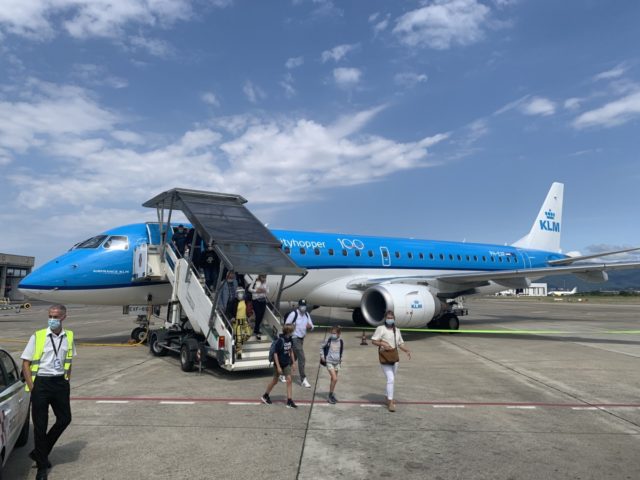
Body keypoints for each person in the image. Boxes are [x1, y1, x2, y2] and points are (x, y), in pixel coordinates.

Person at [21, 304, 77, 480]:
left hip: (60, 383)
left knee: (65, 419)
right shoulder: (37, 336)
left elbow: (69, 359)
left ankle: (39, 452)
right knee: (40, 425)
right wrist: (32, 386)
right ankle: (41, 467)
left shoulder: (69, 336)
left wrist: (66, 379)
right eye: (50, 316)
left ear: (64, 317)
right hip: (41, 384)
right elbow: (25, 363)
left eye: (56, 316)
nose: (52, 319)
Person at [371, 310, 411, 412]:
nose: (390, 319)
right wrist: (383, 344)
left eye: (391, 318)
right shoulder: (381, 329)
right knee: (391, 379)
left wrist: (406, 350)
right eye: (388, 318)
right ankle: (390, 402)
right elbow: (374, 340)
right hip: (385, 357)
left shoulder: (396, 330)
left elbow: (400, 343)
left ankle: (386, 395)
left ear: (394, 319)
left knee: (391, 380)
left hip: (394, 358)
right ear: (385, 318)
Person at [261, 324, 297, 408]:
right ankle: (265, 395)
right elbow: (275, 354)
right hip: (279, 364)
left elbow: (291, 350)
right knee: (275, 381)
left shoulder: (290, 339)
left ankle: (289, 400)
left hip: (286, 363)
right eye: (292, 331)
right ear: (288, 331)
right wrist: (278, 367)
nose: (293, 332)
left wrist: (294, 363)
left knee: (289, 380)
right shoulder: (280, 340)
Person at [285, 299, 314, 388]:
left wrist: (310, 327)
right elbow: (286, 324)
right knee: (302, 357)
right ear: (298, 305)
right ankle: (303, 379)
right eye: (301, 305)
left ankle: (284, 372)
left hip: (301, 339)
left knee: (295, 357)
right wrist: (292, 328)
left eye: (304, 305)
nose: (303, 307)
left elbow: (312, 326)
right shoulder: (294, 314)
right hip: (294, 338)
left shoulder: (306, 314)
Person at [320, 326, 344, 404]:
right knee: (335, 379)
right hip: (329, 361)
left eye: (334, 333)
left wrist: (340, 359)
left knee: (333, 379)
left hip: (337, 362)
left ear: (339, 334)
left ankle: (331, 394)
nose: (333, 334)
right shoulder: (328, 340)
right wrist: (322, 356)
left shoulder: (341, 341)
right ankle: (330, 396)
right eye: (332, 333)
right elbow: (321, 347)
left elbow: (341, 351)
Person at [226, 287, 252, 356]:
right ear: (236, 294)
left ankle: (237, 344)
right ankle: (238, 351)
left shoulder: (245, 301)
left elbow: (247, 310)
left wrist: (248, 317)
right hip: (237, 321)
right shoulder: (233, 301)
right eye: (239, 293)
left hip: (244, 321)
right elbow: (227, 311)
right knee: (239, 336)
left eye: (242, 293)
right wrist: (231, 317)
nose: (241, 294)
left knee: (248, 334)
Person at [248, 274, 269, 340]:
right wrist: (256, 291)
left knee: (261, 315)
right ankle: (256, 329)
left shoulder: (266, 282)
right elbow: (249, 289)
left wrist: (264, 290)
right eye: (263, 277)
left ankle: (257, 328)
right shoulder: (255, 281)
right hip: (256, 300)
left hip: (263, 300)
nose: (264, 279)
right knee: (258, 314)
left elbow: (268, 291)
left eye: (265, 277)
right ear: (260, 277)